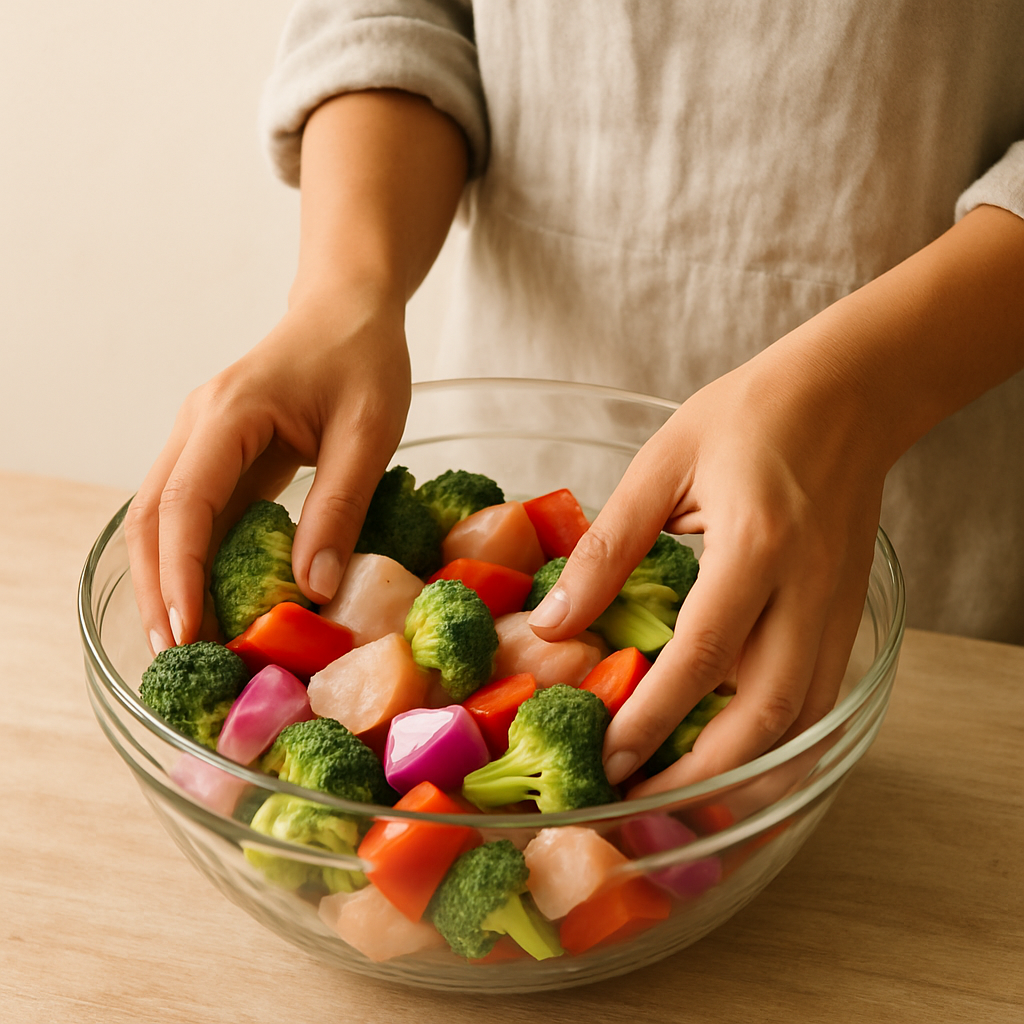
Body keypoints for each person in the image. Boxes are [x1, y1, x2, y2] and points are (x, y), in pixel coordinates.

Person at [124, 2, 1024, 797]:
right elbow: (403, 14)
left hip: (930, 568)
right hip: (510, 461)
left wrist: (856, 396)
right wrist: (344, 294)